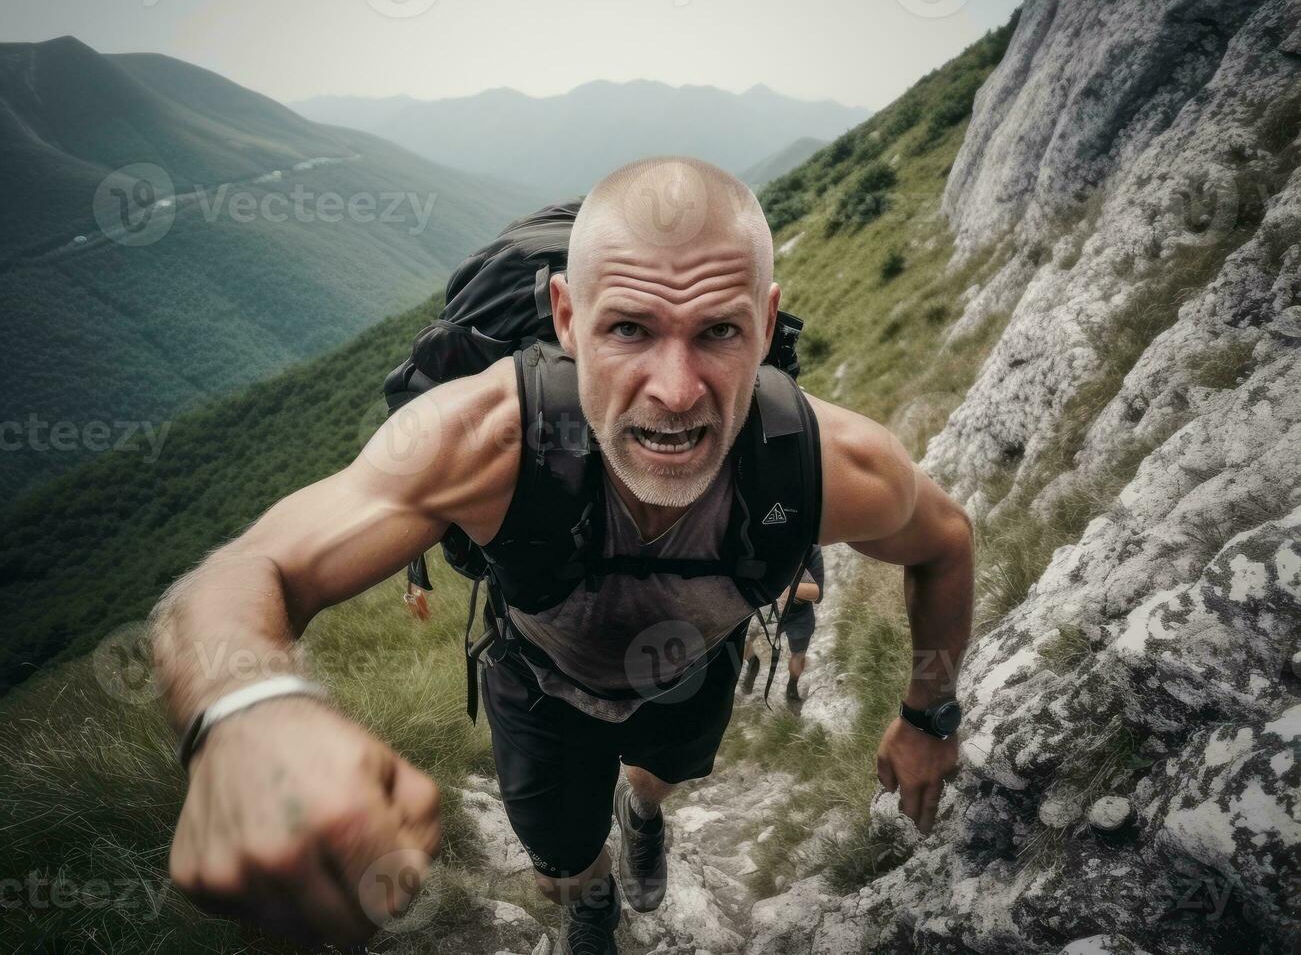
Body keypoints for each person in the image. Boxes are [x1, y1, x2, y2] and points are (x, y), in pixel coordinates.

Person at [150, 157, 974, 955]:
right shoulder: (486, 441)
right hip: (537, 688)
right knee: (563, 853)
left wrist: (926, 715)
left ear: (765, 322)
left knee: (657, 775)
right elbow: (251, 567)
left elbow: (944, 543)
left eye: (718, 331)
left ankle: (643, 816)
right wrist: (246, 714)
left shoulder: (830, 465)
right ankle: (593, 900)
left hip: (689, 672)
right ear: (566, 318)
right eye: (627, 329)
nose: (675, 390)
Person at [740, 543, 825, 702]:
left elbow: (817, 593)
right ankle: (753, 663)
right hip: (764, 607)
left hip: (799, 613)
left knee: (798, 655)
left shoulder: (810, 549)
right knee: (742, 644)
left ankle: (792, 685)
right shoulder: (758, 538)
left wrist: (784, 587)